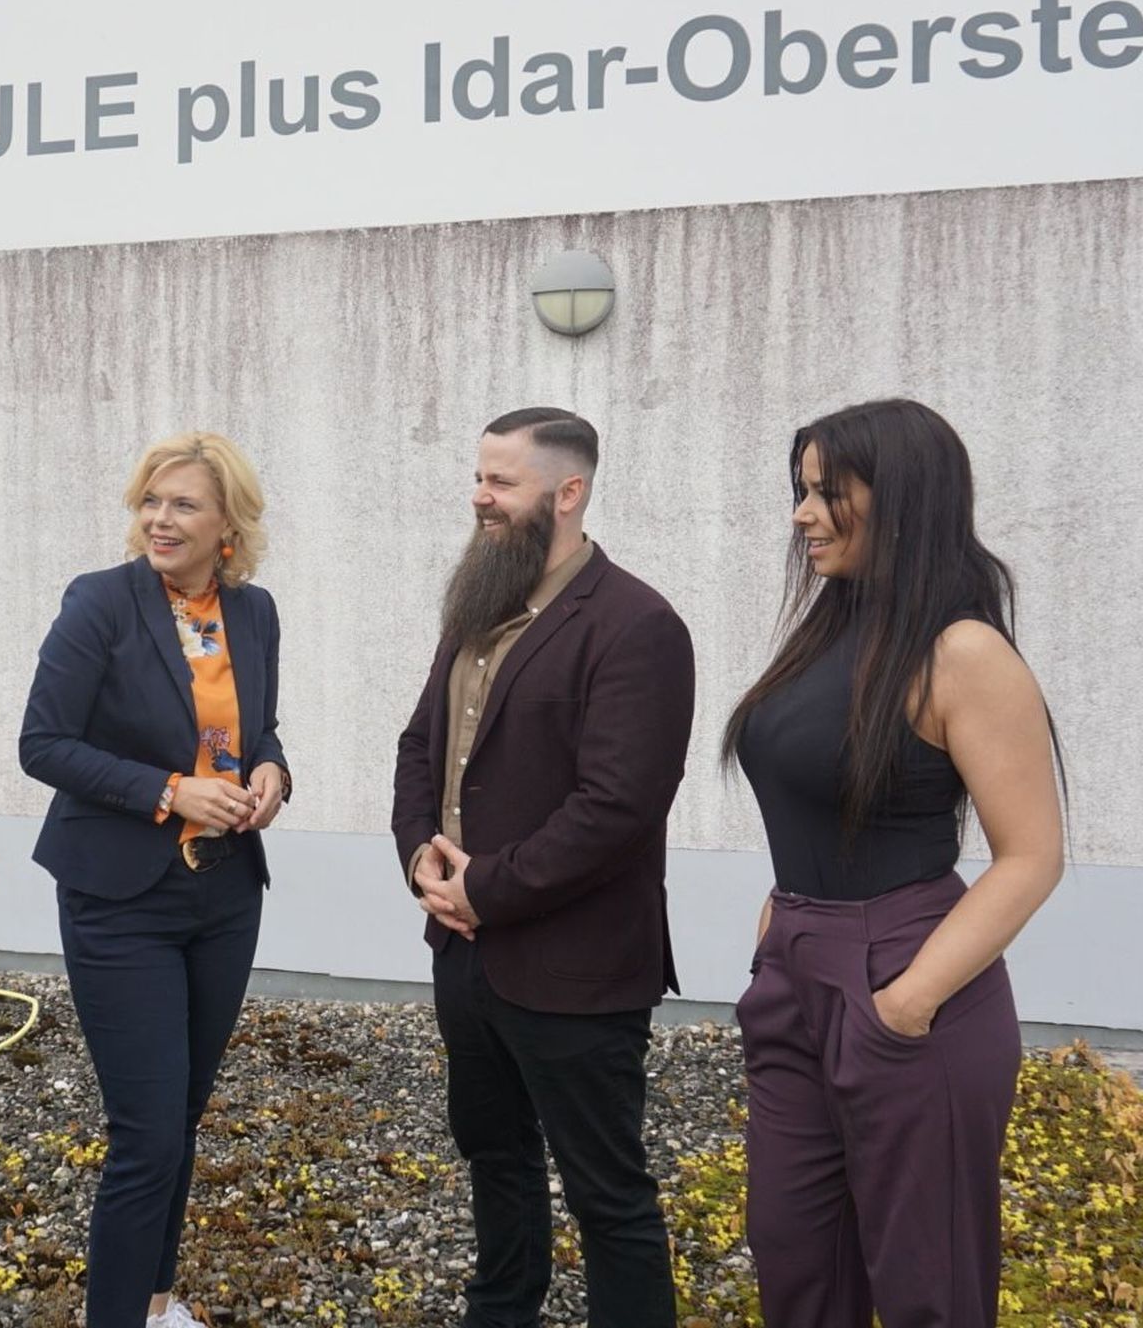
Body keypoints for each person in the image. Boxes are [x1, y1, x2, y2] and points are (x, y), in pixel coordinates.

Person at [725, 397, 1065, 1327]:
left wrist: (909, 1002)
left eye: (828, 492)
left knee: (930, 1286)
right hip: (798, 972)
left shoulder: (963, 652)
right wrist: (777, 924)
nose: (802, 514)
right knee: (796, 1258)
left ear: (904, 499)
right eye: (800, 490)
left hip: (908, 973)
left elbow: (1032, 855)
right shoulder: (831, 632)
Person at [392, 406, 694, 1328]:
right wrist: (422, 861)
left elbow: (616, 808)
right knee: (495, 1158)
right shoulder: (479, 606)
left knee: (608, 1193)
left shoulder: (639, 625)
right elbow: (420, 749)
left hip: (579, 967)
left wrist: (480, 885)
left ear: (569, 492)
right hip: (464, 952)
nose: (480, 498)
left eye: (501, 482)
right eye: (479, 477)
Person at [19, 432, 289, 1328]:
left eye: (183, 505)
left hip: (223, 896)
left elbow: (259, 732)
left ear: (227, 527)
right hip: (121, 899)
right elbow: (44, 744)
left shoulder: (253, 613)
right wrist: (171, 791)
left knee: (182, 1115)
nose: (160, 520)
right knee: (145, 1134)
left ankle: (156, 1303)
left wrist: (271, 774)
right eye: (151, 502)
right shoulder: (100, 603)